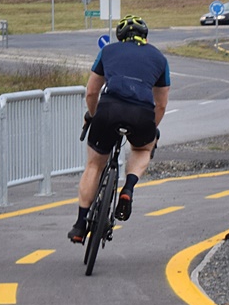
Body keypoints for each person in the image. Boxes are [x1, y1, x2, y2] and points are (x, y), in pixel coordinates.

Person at [69, 14, 171, 244]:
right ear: (144, 36)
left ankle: (79, 224)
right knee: (143, 149)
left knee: (94, 165)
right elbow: (162, 104)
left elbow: (92, 93)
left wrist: (93, 117)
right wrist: (149, 131)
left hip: (109, 109)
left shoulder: (108, 52)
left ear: (120, 36)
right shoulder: (160, 58)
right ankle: (129, 189)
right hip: (142, 112)